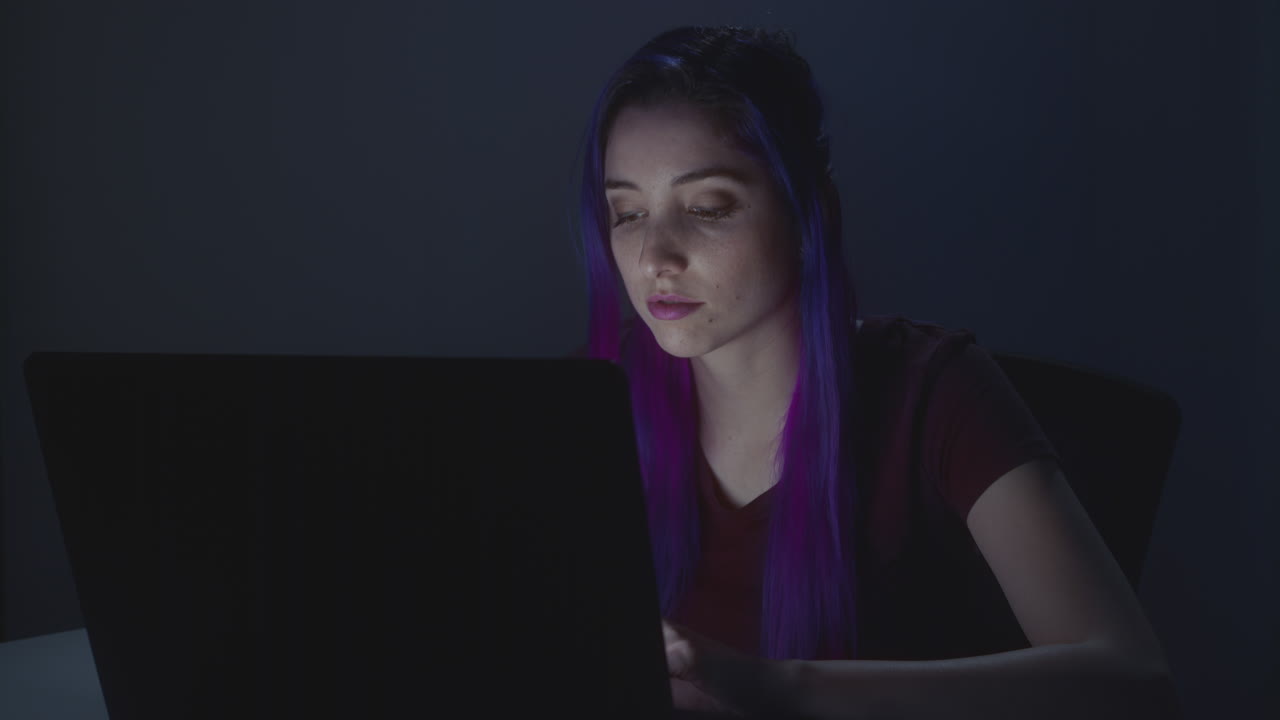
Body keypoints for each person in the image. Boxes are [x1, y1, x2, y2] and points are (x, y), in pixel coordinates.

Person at [568, 25, 1178, 719]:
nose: (655, 258)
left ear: (809, 213)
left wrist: (775, 686)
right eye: (627, 214)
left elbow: (1135, 683)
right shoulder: (591, 396)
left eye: (708, 208)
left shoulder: (936, 392)